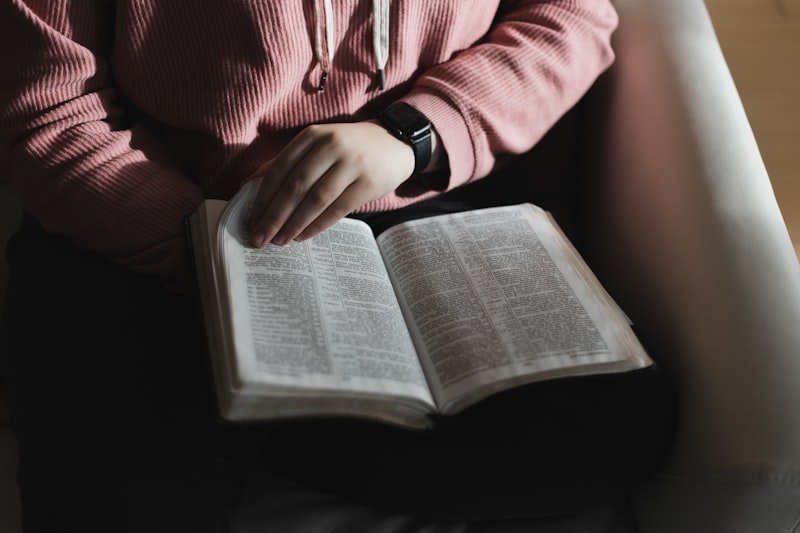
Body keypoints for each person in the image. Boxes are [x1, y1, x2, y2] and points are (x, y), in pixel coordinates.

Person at [0, 1, 676, 531]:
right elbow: (50, 110)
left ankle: (240, 417)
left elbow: (571, 17)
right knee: (112, 508)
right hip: (149, 221)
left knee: (615, 425)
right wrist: (209, 251)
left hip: (411, 201)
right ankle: (217, 408)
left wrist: (415, 136)